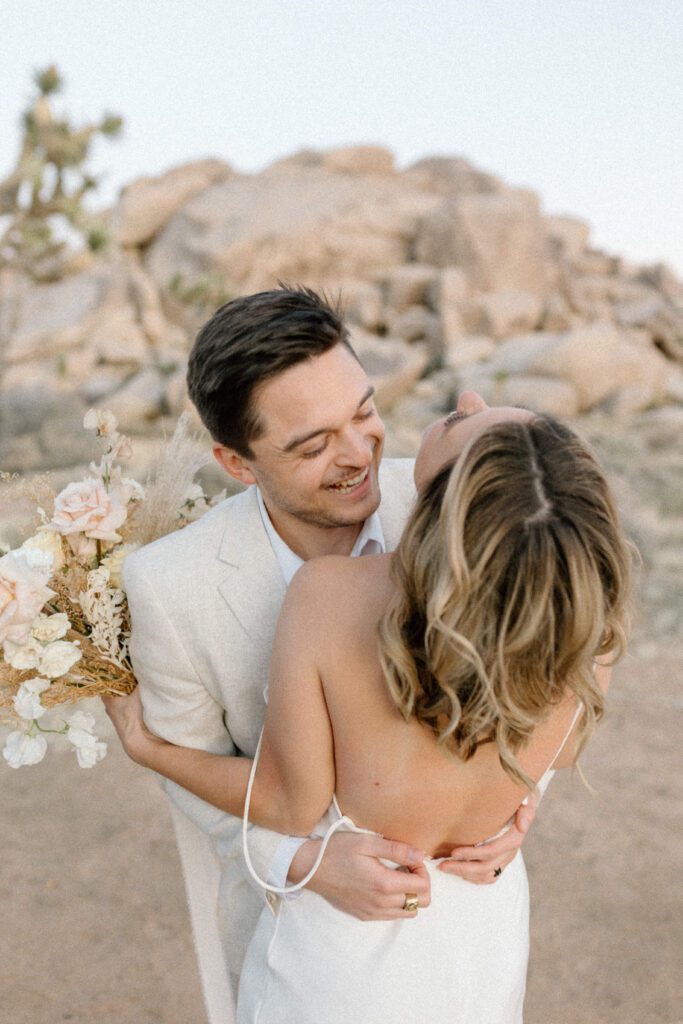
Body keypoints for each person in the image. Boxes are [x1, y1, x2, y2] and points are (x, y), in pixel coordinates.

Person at [108, 399, 631, 1022]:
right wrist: (509, 800)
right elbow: (561, 750)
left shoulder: (331, 596)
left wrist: (150, 749)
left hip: (345, 960)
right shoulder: (589, 608)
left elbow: (288, 804)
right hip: (483, 931)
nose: (467, 401)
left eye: (467, 425)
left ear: (452, 498)